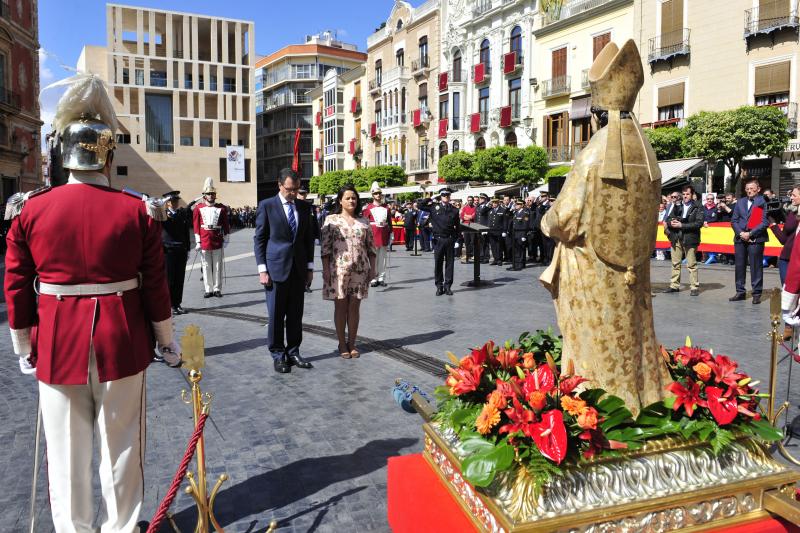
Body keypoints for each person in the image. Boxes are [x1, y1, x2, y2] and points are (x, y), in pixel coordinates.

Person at [4, 74, 180, 532]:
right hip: (121, 338)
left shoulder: (30, 209)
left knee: (64, 452)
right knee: (122, 447)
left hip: (57, 340)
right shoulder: (136, 210)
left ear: (63, 152)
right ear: (107, 153)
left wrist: (23, 345)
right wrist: (166, 341)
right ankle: (121, 528)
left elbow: (17, 284)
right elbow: (155, 286)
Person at [539, 39, 671, 416]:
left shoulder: (595, 152)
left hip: (593, 273)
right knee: (631, 336)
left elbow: (564, 220)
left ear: (597, 112)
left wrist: (546, 219)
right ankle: (644, 397)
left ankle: (599, 408)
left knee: (597, 341)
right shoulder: (647, 154)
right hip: (635, 273)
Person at [254, 168, 315, 374]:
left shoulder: (304, 207)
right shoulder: (267, 206)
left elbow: (308, 240)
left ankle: (294, 351)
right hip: (275, 268)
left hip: (298, 269)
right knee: (276, 315)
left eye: (296, 189)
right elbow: (260, 239)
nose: (293, 193)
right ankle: (278, 354)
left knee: (296, 314)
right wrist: (262, 269)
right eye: (289, 189)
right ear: (280, 186)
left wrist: (309, 267)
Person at [320, 184, 377, 358]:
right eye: (347, 198)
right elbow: (325, 249)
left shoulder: (364, 221)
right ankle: (342, 343)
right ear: (340, 200)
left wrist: (373, 269)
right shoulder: (331, 220)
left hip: (360, 269)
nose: (351, 200)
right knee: (340, 306)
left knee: (354, 306)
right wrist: (325, 270)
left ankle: (352, 343)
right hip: (338, 269)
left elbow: (371, 249)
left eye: (354, 197)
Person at [730, 179, 769, 304]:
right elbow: (734, 220)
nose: (749, 190)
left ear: (758, 189)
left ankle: (756, 293)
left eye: (752, 188)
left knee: (756, 266)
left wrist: (750, 233)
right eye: (747, 188)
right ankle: (740, 291)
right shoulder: (740, 202)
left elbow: (764, 222)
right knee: (739, 265)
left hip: (756, 238)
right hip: (740, 237)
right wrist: (741, 233)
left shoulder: (762, 201)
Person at [663, 185, 704, 296]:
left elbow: (698, 223)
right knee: (675, 263)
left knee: (691, 264)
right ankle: (674, 286)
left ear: (692, 195)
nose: (685, 196)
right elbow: (668, 218)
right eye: (684, 194)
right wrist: (672, 223)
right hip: (676, 237)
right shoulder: (677, 205)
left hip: (690, 238)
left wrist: (682, 225)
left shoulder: (698, 206)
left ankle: (694, 287)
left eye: (688, 194)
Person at [419, 188, 460, 295]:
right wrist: (431, 197)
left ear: (450, 196)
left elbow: (458, 226)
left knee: (450, 264)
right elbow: (420, 205)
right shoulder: (433, 207)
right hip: (438, 239)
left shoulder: (454, 210)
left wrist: (457, 239)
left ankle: (448, 286)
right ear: (440, 196)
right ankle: (439, 286)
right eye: (443, 195)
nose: (446, 197)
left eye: (447, 195)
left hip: (450, 239)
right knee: (438, 263)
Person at [193, 178, 230, 298]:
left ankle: (217, 288)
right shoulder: (198, 208)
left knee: (218, 265)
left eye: (213, 194)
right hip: (204, 239)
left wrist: (227, 238)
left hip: (217, 239)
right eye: (209, 194)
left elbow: (225, 224)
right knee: (206, 266)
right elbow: (196, 226)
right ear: (204, 196)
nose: (211, 196)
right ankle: (208, 289)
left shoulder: (221, 208)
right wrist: (198, 241)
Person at [162, 191, 194, 314]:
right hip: (168, 250)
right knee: (170, 279)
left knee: (180, 278)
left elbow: (186, 233)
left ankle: (177, 303)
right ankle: (169, 305)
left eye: (176, 201)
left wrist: (188, 248)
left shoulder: (181, 214)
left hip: (180, 250)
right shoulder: (163, 215)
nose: (175, 203)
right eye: (172, 201)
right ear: (167, 202)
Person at [769, 186, 800, 285]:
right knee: (787, 291)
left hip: (797, 260)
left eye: (794, 195)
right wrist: (773, 223)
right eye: (791, 195)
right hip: (785, 258)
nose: (791, 198)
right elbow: (783, 240)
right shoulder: (792, 213)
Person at [362, 182, 391, 286]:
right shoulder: (368, 208)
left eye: (379, 193)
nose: (378, 195)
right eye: (376, 194)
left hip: (383, 235)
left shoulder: (386, 208)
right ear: (372, 195)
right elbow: (365, 223)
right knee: (373, 258)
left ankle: (381, 278)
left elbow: (389, 222)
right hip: (373, 235)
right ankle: (373, 278)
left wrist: (390, 235)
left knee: (382, 258)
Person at [509, 199, 532, 271]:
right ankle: (516, 263)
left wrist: (524, 235)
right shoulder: (515, 212)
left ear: (522, 205)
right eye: (516, 204)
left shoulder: (525, 212)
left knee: (521, 249)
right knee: (516, 249)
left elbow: (525, 225)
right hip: (515, 233)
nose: (516, 205)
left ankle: (521, 264)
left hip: (521, 234)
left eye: (518, 204)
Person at [488, 197, 507, 265]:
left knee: (499, 246)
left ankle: (499, 259)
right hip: (491, 231)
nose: (494, 204)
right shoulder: (490, 211)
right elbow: (489, 222)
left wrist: (504, 231)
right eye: (493, 203)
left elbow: (505, 222)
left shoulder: (503, 210)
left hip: (499, 231)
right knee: (493, 246)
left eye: (495, 203)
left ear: (498, 203)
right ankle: (495, 259)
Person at [460, 195, 477, 263]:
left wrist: (467, 216)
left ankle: (472, 255)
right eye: (468, 200)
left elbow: (473, 217)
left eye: (471, 200)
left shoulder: (475, 208)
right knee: (466, 242)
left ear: (473, 201)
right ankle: (467, 256)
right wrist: (467, 217)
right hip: (465, 225)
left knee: (472, 242)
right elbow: (461, 216)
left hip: (472, 225)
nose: (470, 201)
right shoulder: (464, 208)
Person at [476, 192, 492, 263]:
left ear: (485, 199)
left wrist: (487, 228)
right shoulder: (478, 207)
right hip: (478, 227)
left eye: (482, 198)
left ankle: (486, 257)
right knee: (480, 243)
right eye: (480, 198)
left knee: (486, 243)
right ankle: (481, 256)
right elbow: (477, 218)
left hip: (484, 227)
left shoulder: (488, 207)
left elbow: (488, 218)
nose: (480, 199)